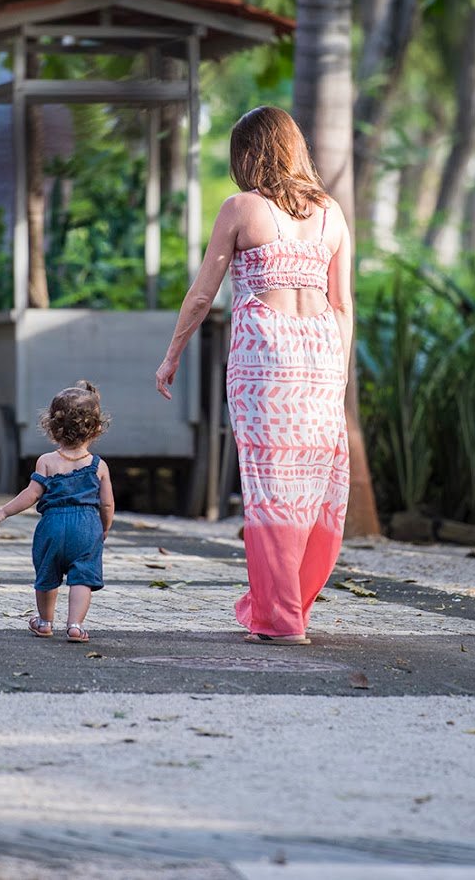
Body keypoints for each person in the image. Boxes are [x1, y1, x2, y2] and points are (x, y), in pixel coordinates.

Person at [154, 106, 352, 645]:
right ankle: (291, 608)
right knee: (314, 486)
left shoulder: (241, 208)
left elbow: (202, 294)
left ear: (248, 153)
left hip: (265, 359)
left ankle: (279, 618)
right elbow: (342, 305)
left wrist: (172, 355)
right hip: (320, 360)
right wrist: (339, 379)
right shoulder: (332, 213)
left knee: (269, 489)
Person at [0, 381, 115, 643]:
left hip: (52, 526)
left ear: (52, 427)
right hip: (86, 527)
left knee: (47, 574)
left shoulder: (46, 461)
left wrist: (4, 512)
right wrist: (104, 526)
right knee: (82, 577)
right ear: (97, 428)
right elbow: (107, 503)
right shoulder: (99, 466)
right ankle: (75, 625)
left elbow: (31, 495)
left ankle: (44, 621)